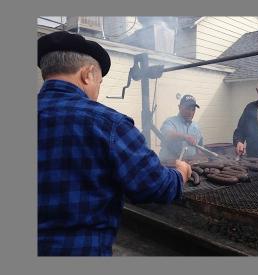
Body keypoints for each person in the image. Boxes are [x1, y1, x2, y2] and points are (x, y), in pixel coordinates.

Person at [37, 31, 192, 256]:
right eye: (99, 83)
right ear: (88, 74)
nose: (96, 93)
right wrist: (180, 173)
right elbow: (154, 186)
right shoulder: (108, 123)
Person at [159, 94, 203, 161]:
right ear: (179, 107)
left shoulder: (196, 127)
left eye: (193, 109)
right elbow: (168, 133)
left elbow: (199, 148)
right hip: (170, 165)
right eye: (187, 108)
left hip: (190, 165)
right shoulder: (170, 122)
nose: (190, 112)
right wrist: (185, 137)